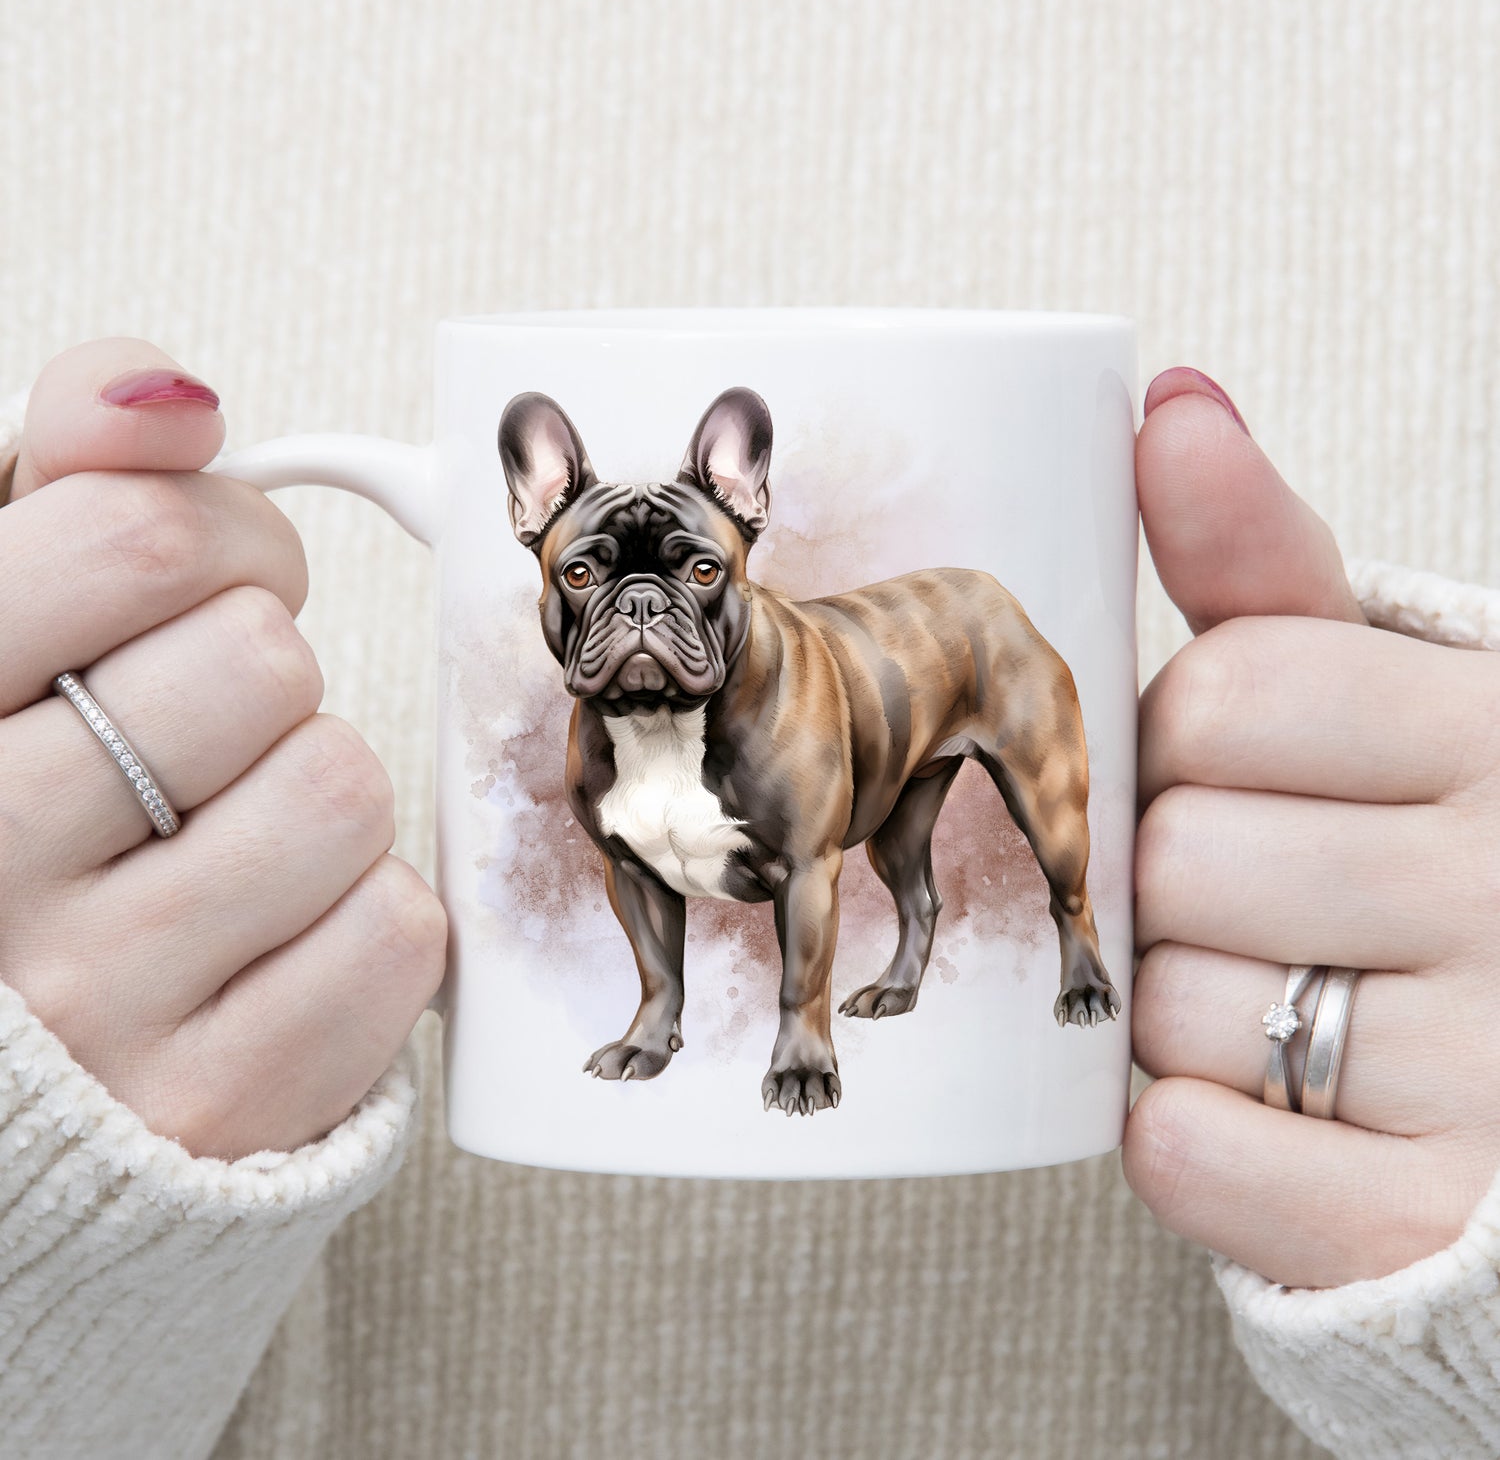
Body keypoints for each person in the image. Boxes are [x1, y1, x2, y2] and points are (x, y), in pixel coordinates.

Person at [0, 340, 1497, 1460]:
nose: (641, 609)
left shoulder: (833, 683)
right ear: (521, 514)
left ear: (747, 512)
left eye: (689, 581)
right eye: (595, 581)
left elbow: (809, 861)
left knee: (988, 832)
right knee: (802, 861)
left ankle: (1029, 960)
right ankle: (664, 1016)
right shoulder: (600, 752)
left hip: (952, 663)